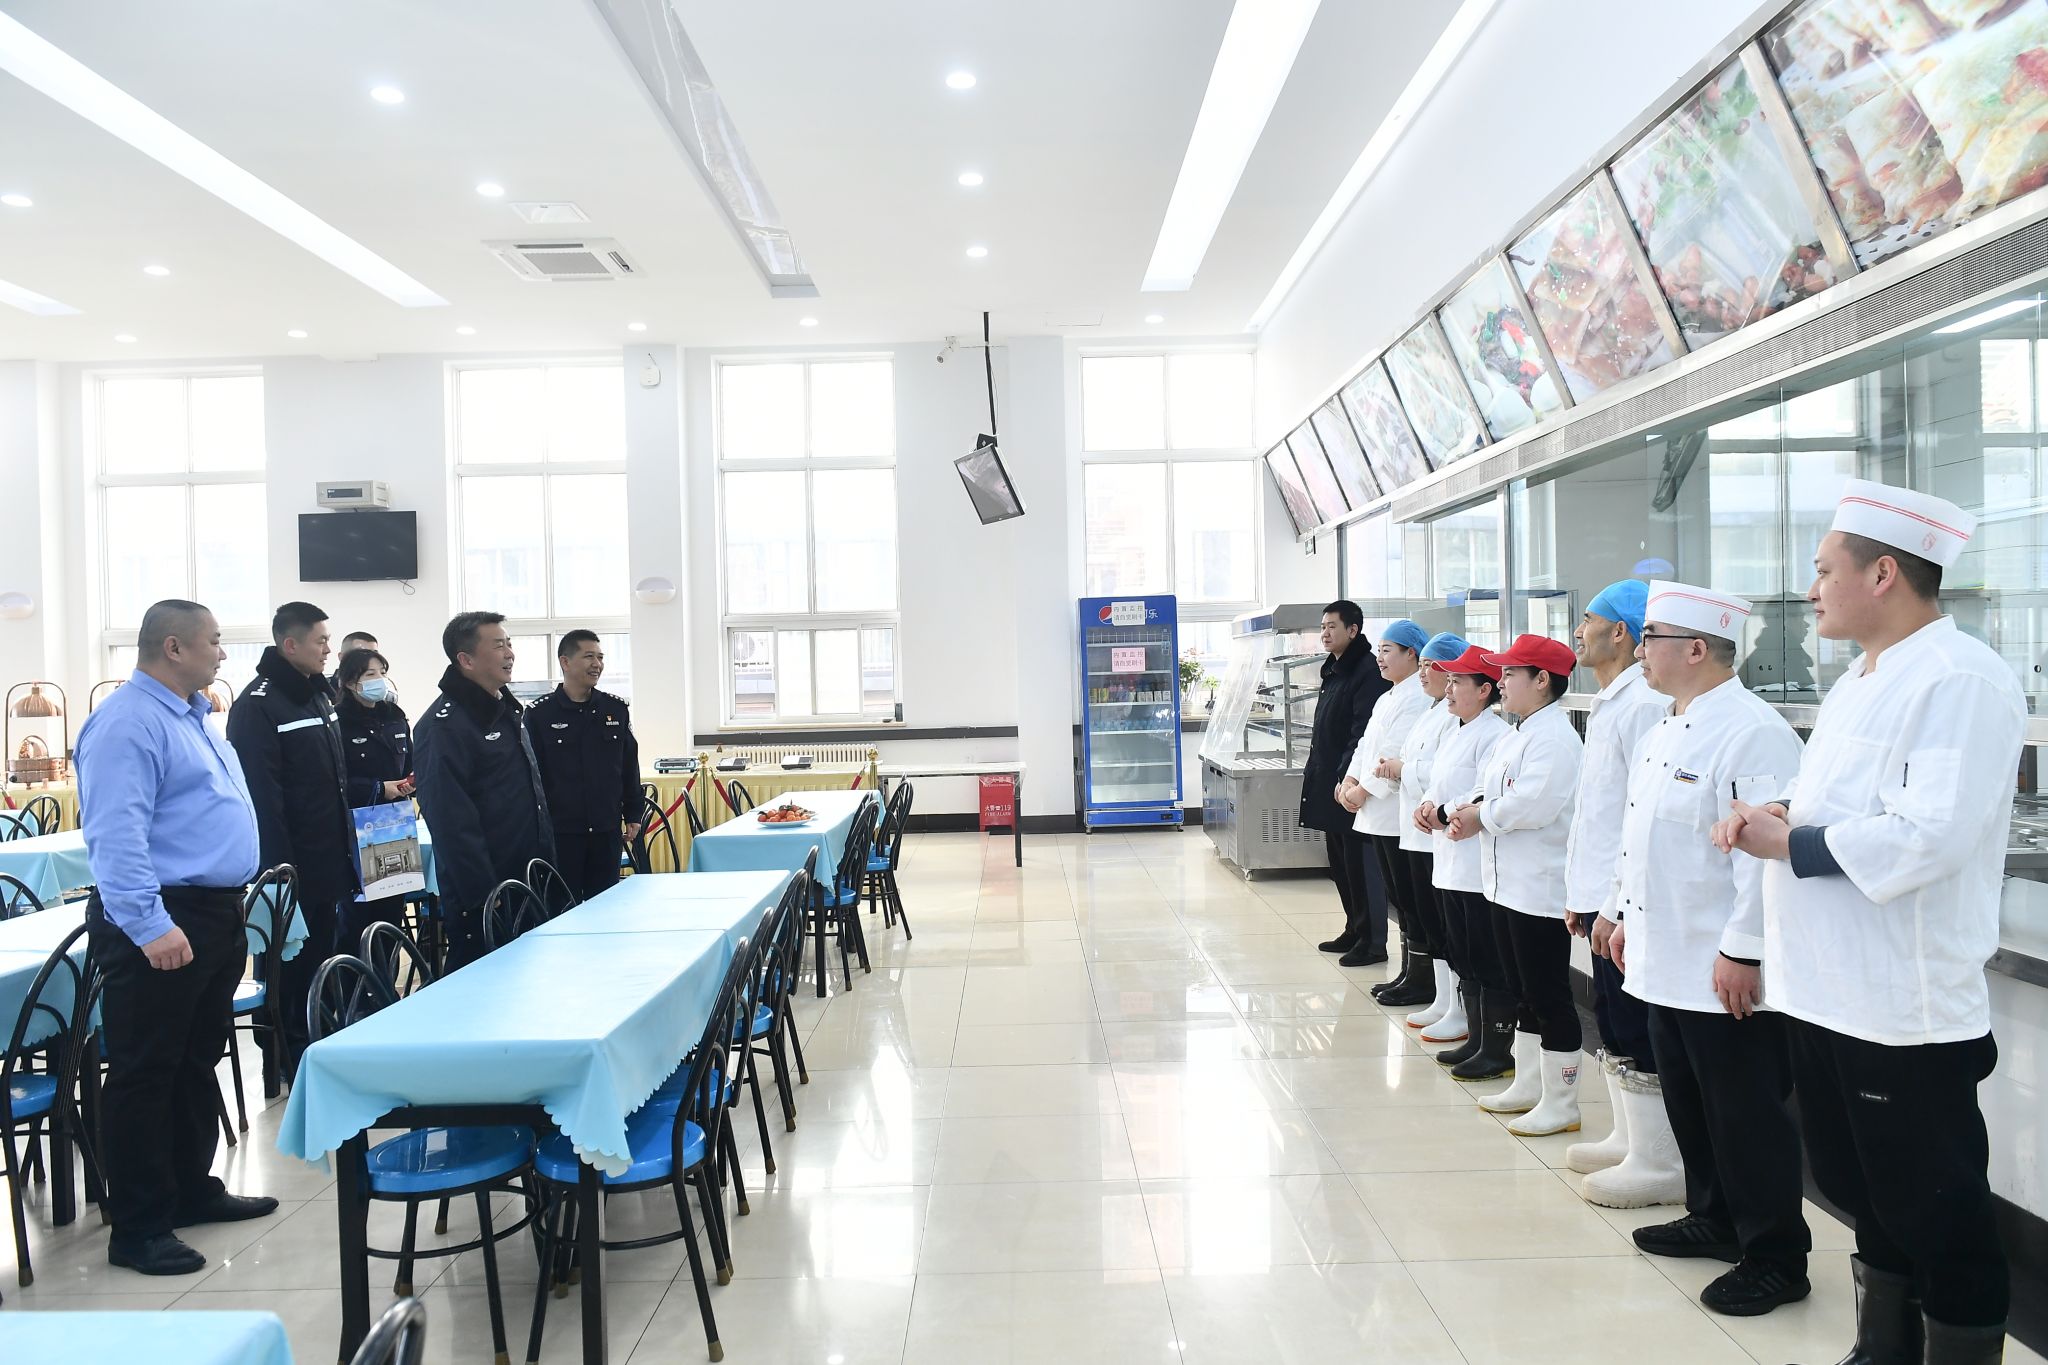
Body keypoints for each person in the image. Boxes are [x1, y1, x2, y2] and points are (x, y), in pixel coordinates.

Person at [1717, 480, 2024, 1362]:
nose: (1811, 589)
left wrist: (1790, 842)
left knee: (1937, 1210)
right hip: (1827, 992)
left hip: (1901, 1007)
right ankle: (1882, 1347)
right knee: (1866, 1193)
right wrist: (1783, 810)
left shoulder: (1961, 678)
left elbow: (1931, 834)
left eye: (1824, 570)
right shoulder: (1860, 677)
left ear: (1883, 573)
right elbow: (1850, 801)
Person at [1614, 581, 1811, 1318]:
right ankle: (1715, 1215)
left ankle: (1776, 1256)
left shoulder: (1751, 731)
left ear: (1696, 648)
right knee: (1691, 1100)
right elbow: (1646, 838)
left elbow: (1762, 854)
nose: (1640, 650)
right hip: (1664, 955)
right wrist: (1623, 915)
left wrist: (1744, 949)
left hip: (1720, 963)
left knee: (1744, 1113)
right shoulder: (1665, 727)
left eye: (1651, 637)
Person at [75, 599, 276, 1276]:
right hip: (163, 914)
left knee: (195, 1060)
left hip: (213, 911)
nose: (222, 652)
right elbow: (116, 833)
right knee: (146, 1070)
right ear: (173, 647)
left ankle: (189, 1189)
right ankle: (138, 1226)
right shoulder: (127, 722)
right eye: (213, 641)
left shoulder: (192, 716)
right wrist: (148, 923)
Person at [1560, 580, 1685, 1208]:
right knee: (1610, 1017)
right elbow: (1597, 811)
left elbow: (1640, 818)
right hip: (1601, 893)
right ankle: (1631, 1139)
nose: (1578, 631)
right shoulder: (1613, 700)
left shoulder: (1642, 704)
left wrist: (1613, 902)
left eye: (1588, 619)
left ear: (1621, 632)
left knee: (1634, 1024)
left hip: (1625, 898)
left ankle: (1661, 1160)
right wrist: (1581, 892)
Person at [1446, 634, 1585, 1135]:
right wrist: (1466, 809)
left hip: (1538, 889)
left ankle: (1563, 1102)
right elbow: (1489, 788)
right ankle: (1529, 1085)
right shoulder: (1518, 732)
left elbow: (1532, 804)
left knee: (1548, 995)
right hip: (1505, 885)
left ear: (1542, 679)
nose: (1500, 681)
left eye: (1509, 673)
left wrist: (1480, 817)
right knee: (1523, 991)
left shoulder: (1556, 739)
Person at [225, 601, 360, 1087]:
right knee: (289, 963)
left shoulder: (316, 695)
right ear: (290, 644)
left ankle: (317, 1038)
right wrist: (278, 875)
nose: (328, 650)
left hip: (328, 857)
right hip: (290, 865)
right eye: (321, 641)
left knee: (320, 955)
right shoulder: (259, 705)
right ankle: (287, 1052)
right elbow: (263, 799)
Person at [412, 611, 554, 970]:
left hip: (526, 876)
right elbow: (449, 820)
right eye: (498, 646)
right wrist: (484, 891)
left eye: (509, 644)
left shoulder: (505, 709)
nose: (510, 653)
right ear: (467, 660)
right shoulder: (443, 726)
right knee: (483, 984)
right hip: (487, 892)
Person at [1415, 645, 1512, 1081]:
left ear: (1484, 690)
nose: (1449, 688)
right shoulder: (1456, 729)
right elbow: (1438, 781)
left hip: (1476, 867)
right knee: (1463, 954)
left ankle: (1495, 1047)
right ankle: (1475, 1037)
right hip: (1449, 861)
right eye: (1449, 680)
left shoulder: (1495, 734)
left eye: (1458, 681)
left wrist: (1442, 811)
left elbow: (1481, 792)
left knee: (1484, 956)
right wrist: (1426, 805)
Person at [1336, 619, 1436, 1005]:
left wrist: (1362, 790)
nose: (1379, 657)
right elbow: (1366, 745)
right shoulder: (1387, 696)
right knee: (1398, 896)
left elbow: (1393, 753)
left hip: (1395, 811)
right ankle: (1409, 972)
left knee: (1410, 898)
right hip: (1373, 810)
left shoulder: (1417, 698)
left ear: (1412, 654)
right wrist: (1349, 780)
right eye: (1378, 650)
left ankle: (1421, 978)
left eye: (1387, 650)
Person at [1301, 600, 1391, 967]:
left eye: (1332, 626)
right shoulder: (1334, 669)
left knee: (1360, 864)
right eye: (1322, 626)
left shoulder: (1366, 671)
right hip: (1331, 780)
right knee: (1339, 863)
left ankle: (1373, 941)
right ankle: (1354, 929)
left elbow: (1360, 734)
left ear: (1353, 630)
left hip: (1350, 784)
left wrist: (1347, 777)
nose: (1325, 633)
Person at [525, 630, 643, 903]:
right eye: (589, 656)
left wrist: (633, 812)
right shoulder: (540, 714)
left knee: (605, 907)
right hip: (561, 833)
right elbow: (531, 776)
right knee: (560, 908)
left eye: (600, 657)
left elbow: (628, 765)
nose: (597, 664)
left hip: (605, 830)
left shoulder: (615, 709)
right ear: (565, 662)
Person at [1393, 632, 1471, 1041]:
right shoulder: (1434, 711)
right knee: (1428, 919)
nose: (1423, 673)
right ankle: (1444, 1000)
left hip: (1439, 835)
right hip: (1421, 829)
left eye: (1432, 666)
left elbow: (1440, 775)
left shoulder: (1457, 720)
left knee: (1444, 924)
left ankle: (1458, 1007)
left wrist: (1404, 772)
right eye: (1421, 665)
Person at [335, 647, 415, 950]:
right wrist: (379, 788)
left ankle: (385, 976)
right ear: (350, 682)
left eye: (382, 672)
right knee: (358, 915)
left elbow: (411, 763)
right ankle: (354, 977)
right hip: (360, 826)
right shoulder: (338, 721)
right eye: (370, 674)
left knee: (391, 912)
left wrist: (410, 783)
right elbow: (336, 780)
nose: (379, 680)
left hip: (395, 823)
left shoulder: (394, 717)